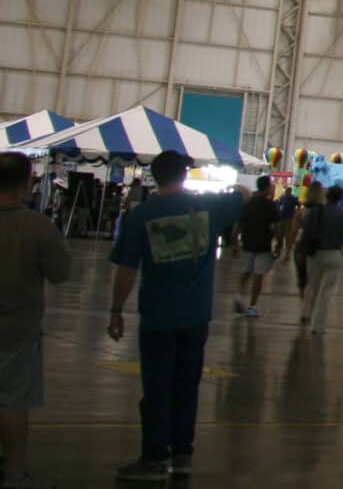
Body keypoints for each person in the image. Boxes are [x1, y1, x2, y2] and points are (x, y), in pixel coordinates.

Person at [106, 151, 245, 482]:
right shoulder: (209, 207)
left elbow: (126, 269)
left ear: (155, 176)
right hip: (196, 316)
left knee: (157, 388)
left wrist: (116, 311)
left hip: (158, 315)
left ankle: (154, 457)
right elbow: (243, 194)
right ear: (183, 176)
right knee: (187, 386)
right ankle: (182, 452)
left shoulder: (142, 215)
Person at [0, 151, 73, 489]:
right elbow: (60, 273)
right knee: (13, 402)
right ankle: (14, 474)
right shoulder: (37, 226)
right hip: (17, 329)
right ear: (26, 183)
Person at [298, 187, 343, 331]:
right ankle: (318, 325)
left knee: (312, 285)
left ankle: (306, 313)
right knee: (327, 290)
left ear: (327, 196)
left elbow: (305, 233)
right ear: (339, 198)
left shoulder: (315, 212)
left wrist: (301, 252)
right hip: (334, 254)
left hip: (315, 253)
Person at [230, 176, 281, 319]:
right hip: (263, 245)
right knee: (258, 277)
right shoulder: (270, 205)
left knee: (246, 271)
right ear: (266, 187)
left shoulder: (247, 204)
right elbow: (274, 227)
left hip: (247, 243)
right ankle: (252, 306)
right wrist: (279, 243)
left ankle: (239, 295)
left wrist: (235, 243)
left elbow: (238, 225)